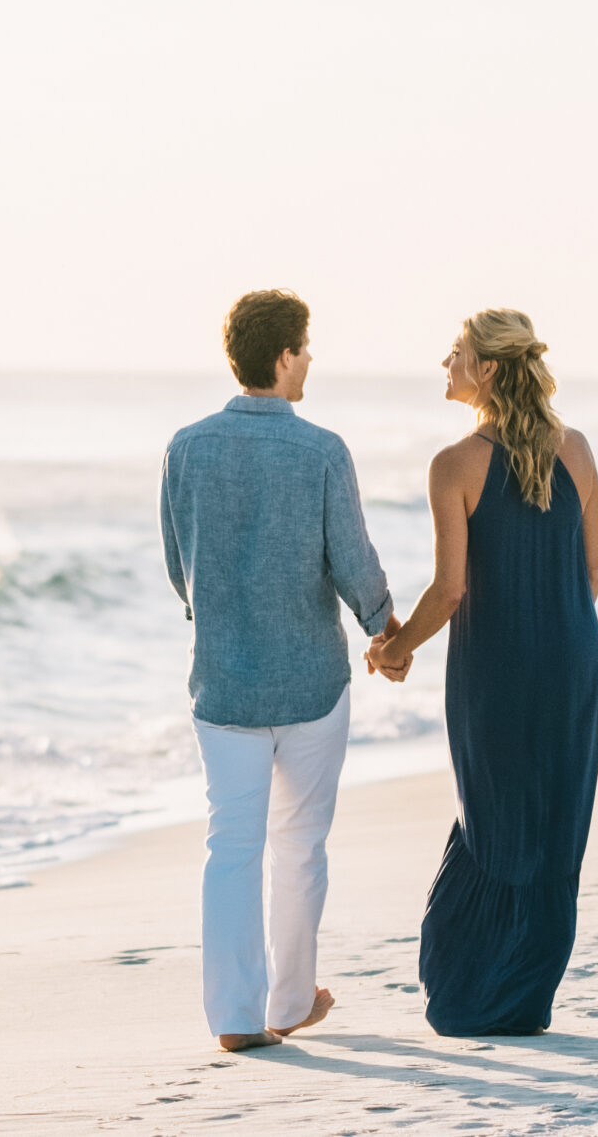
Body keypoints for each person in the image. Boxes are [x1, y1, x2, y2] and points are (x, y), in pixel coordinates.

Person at [162, 289, 401, 1053]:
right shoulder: (321, 449)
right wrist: (385, 629)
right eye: (307, 345)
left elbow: (180, 565)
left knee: (231, 843)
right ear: (285, 355)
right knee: (300, 843)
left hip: (223, 681)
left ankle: (235, 1014)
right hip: (310, 682)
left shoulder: (185, 446)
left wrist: (218, 619)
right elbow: (352, 560)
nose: (311, 359)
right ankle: (290, 1000)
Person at [365, 309, 598, 1037]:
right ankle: (524, 1001)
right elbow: (590, 575)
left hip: (497, 671)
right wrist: (550, 625)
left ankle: (473, 996)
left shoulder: (455, 463)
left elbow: (449, 590)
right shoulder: (581, 450)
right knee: (553, 832)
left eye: (458, 352)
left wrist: (393, 649)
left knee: (494, 823)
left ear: (490, 369)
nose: (445, 361)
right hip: (574, 661)